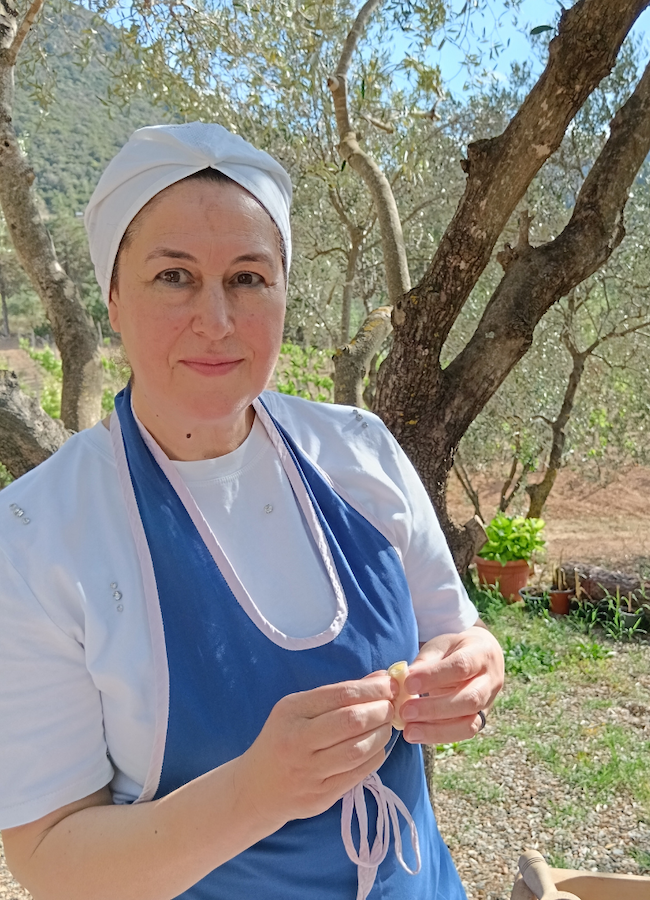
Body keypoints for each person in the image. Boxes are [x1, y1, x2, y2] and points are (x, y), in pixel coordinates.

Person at [0, 122, 504, 900]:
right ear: (112, 297)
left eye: (247, 277)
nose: (217, 320)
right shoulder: (39, 539)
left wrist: (474, 668)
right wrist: (253, 795)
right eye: (174, 277)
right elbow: (50, 858)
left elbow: (455, 630)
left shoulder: (359, 452)